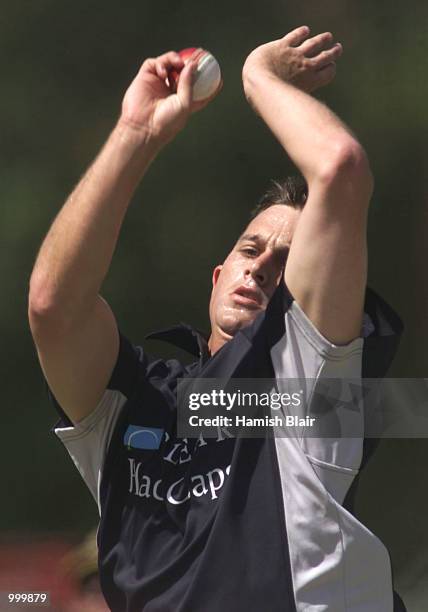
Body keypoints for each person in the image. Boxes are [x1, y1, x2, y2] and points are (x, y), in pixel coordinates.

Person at [28, 26, 406, 612]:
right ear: (217, 274)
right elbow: (53, 305)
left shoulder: (311, 386)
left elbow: (340, 168)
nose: (259, 270)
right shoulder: (135, 401)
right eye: (251, 251)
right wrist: (137, 133)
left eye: (284, 263)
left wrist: (259, 76)